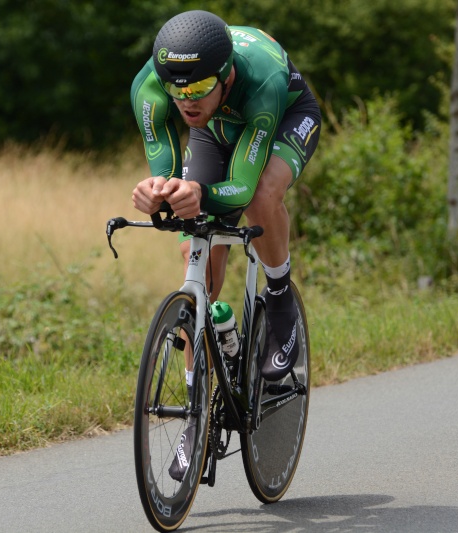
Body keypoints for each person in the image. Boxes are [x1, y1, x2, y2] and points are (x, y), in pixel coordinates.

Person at [130, 10, 321, 481]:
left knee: (259, 196)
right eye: (177, 91)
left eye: (195, 91)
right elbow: (168, 168)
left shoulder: (261, 82)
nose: (184, 102)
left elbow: (240, 183)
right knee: (194, 245)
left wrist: (203, 194)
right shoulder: (153, 87)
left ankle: (278, 299)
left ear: (226, 74)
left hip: (280, 119)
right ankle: (195, 415)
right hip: (217, 131)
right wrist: (159, 190)